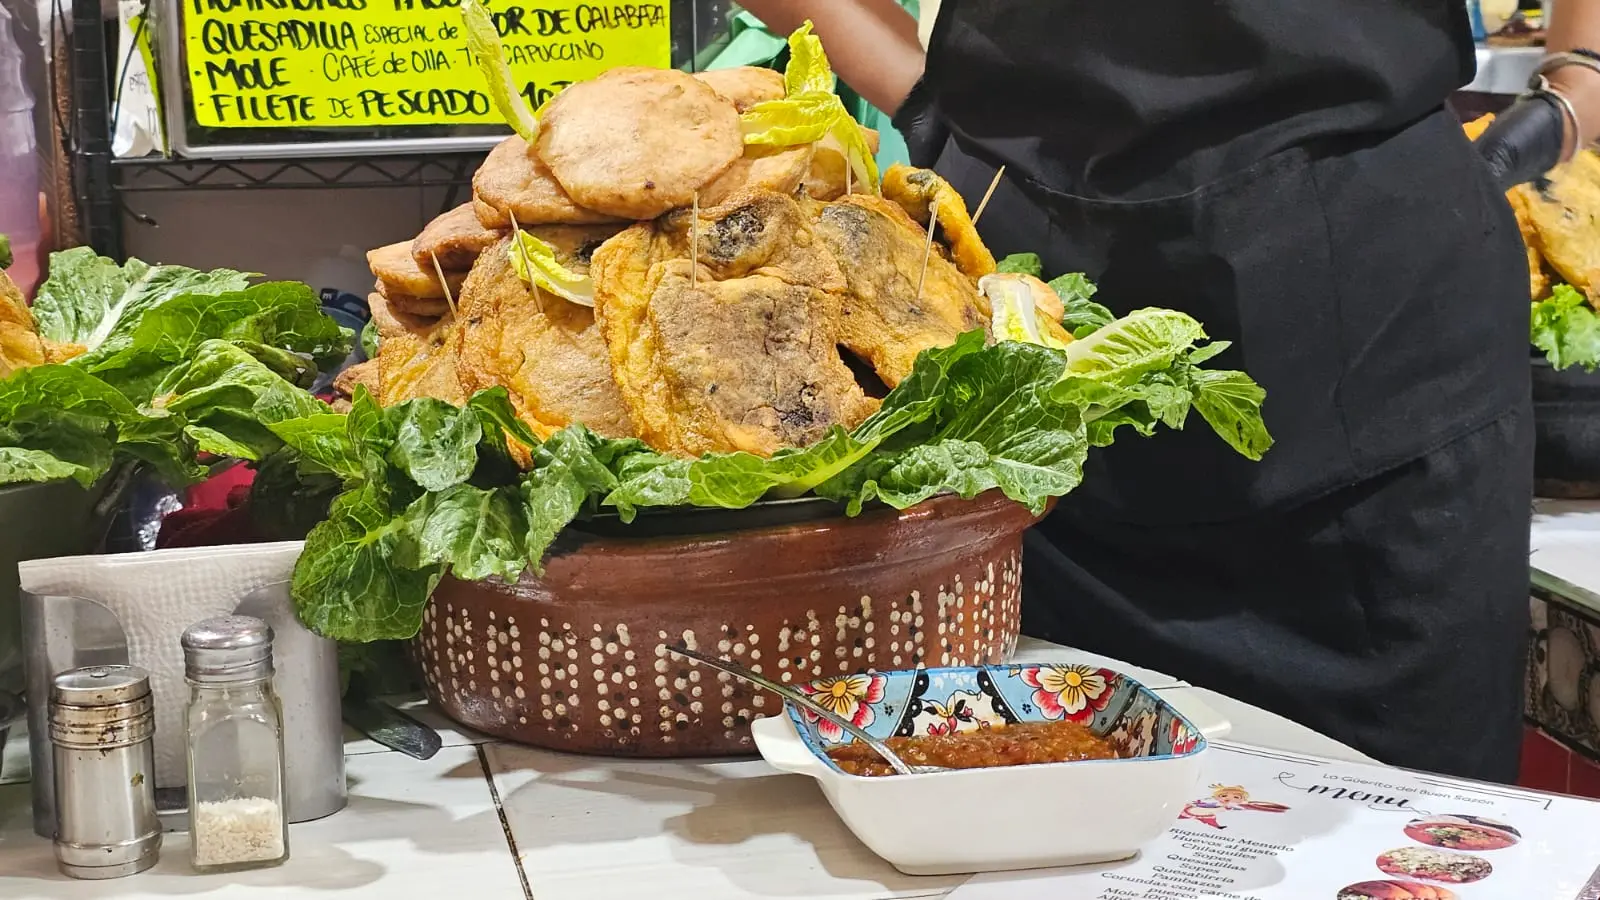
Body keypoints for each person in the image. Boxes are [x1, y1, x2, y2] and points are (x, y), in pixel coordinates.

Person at [736, 0, 1600, 782]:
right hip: (1029, 328)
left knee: (1406, 843)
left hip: (1383, 330)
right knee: (1024, 818)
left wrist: (1580, 76)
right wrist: (922, 95)